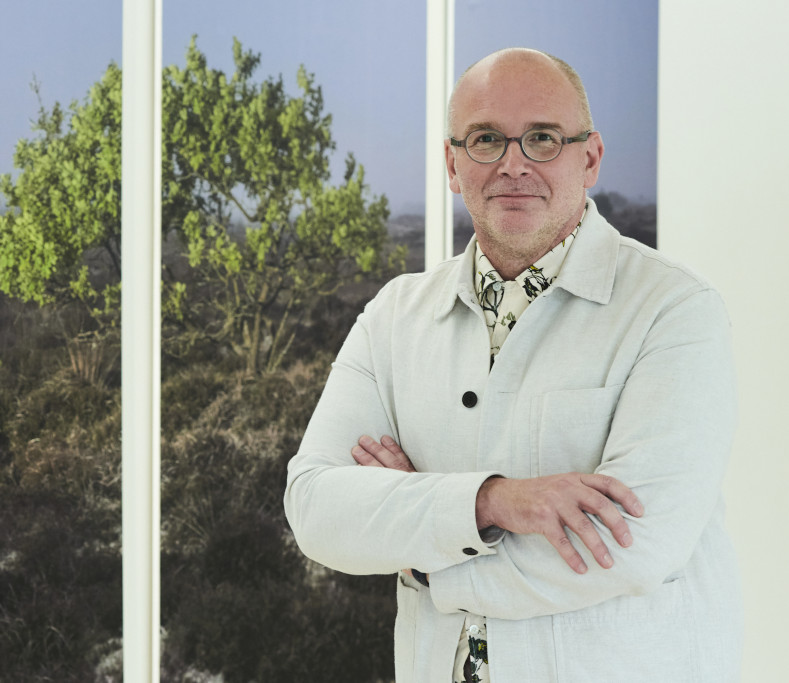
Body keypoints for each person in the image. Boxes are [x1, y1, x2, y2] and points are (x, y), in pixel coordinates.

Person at [283, 47, 740, 682]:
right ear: (452, 162)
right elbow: (315, 507)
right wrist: (491, 504)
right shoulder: (395, 315)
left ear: (590, 158)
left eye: (544, 139)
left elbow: (637, 547)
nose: (513, 164)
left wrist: (420, 554)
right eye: (487, 139)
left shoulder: (675, 310)